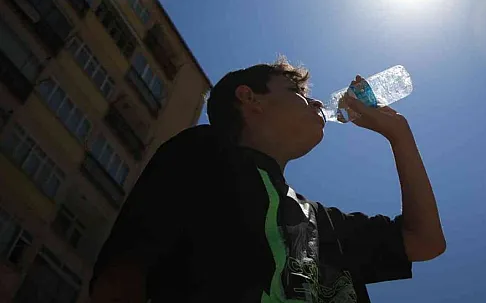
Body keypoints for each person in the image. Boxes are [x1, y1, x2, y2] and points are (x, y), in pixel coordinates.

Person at [89, 57, 446, 302]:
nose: (317, 102)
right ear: (250, 99)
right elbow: (122, 278)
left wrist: (399, 135)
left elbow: (425, 242)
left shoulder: (319, 223)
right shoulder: (206, 152)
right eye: (298, 94)